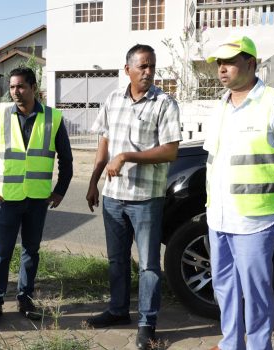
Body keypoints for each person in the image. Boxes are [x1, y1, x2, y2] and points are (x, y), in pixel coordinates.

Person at [203, 35, 274, 350]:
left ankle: (258, 346)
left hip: (257, 220)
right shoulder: (221, 108)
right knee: (224, 288)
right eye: (219, 64)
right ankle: (230, 344)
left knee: (255, 292)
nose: (222, 70)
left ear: (251, 63)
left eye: (229, 63)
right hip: (220, 218)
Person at [85, 44, 182, 350]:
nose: (148, 72)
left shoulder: (165, 103)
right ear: (126, 69)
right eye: (142, 67)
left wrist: (127, 155)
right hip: (113, 197)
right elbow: (104, 144)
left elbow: (170, 150)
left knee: (150, 265)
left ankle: (146, 324)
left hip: (146, 198)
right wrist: (93, 182)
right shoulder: (113, 100)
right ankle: (117, 311)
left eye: (152, 66)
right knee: (116, 260)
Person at [0, 66, 73, 326]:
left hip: (38, 199)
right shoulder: (0, 118)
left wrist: (60, 190)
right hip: (7, 199)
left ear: (33, 88)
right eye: (12, 87)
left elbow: (67, 159)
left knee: (31, 251)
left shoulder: (53, 118)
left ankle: (25, 299)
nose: (15, 92)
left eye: (20, 87)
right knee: (1, 253)